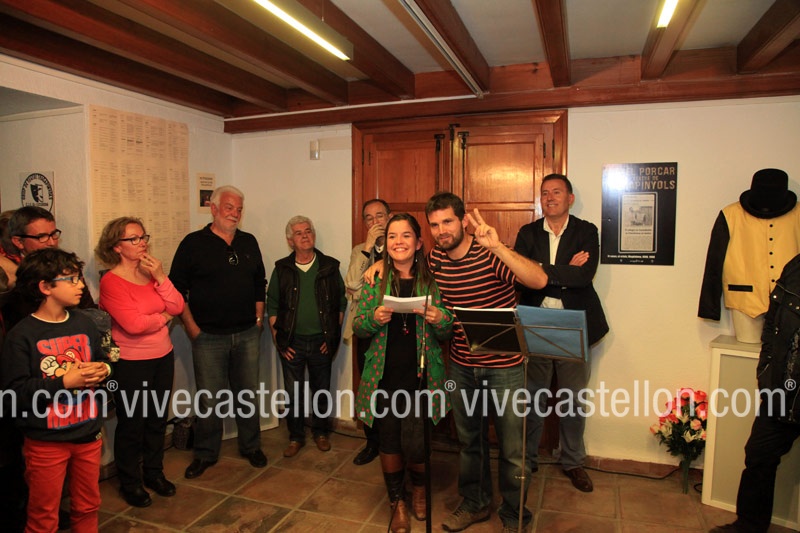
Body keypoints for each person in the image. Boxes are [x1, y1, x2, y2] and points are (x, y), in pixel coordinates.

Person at [368, 192, 548, 532]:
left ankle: (514, 515)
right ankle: (475, 503)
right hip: (462, 365)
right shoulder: (435, 258)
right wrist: (380, 264)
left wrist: (498, 247)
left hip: (506, 367)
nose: (442, 231)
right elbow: (407, 265)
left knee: (513, 449)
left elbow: (539, 280)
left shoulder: (490, 253)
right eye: (435, 225)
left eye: (448, 222)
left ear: (464, 220)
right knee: (469, 442)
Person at [353, 213, 453, 531]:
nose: (399, 241)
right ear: (386, 244)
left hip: (422, 377)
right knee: (390, 441)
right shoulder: (375, 280)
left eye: (406, 235)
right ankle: (397, 501)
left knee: (419, 442)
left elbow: (447, 330)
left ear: (419, 242)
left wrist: (440, 318)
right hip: (384, 377)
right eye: (392, 236)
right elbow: (358, 326)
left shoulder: (432, 280)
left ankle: (420, 491)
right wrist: (373, 318)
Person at [0, 248, 111, 533]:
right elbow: (15, 393)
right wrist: (63, 382)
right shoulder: (22, 336)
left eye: (78, 277)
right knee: (44, 515)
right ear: (45, 287)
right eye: (70, 279)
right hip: (46, 442)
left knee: (88, 505)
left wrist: (103, 370)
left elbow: (102, 359)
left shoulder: (84, 323)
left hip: (87, 433)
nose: (80, 285)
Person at [514, 173, 609, 493]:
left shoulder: (587, 231)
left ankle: (573, 462)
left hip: (574, 324)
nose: (549, 197)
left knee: (572, 400)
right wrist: (564, 271)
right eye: (544, 193)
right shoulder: (527, 233)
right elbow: (521, 278)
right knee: (532, 399)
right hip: (535, 322)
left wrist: (540, 271)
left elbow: (584, 277)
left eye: (556, 192)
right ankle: (526, 459)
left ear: (570, 198)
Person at [169, 185, 268, 479]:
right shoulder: (192, 244)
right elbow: (176, 290)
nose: (234, 214)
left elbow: (259, 282)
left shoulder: (248, 241)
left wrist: (258, 319)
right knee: (209, 399)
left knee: (248, 395)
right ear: (213, 208)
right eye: (229, 207)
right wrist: (191, 327)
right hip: (208, 337)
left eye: (239, 209)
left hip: (247, 333)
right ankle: (205, 453)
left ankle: (251, 446)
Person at [96, 217, 185, 507]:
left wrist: (161, 276)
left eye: (143, 236)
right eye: (133, 239)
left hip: (162, 355)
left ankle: (154, 473)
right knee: (132, 423)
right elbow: (133, 325)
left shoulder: (150, 273)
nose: (141, 243)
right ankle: (130, 482)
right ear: (116, 246)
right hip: (131, 362)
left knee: (157, 419)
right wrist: (162, 318)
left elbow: (177, 305)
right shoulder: (111, 282)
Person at [710, 254, 800, 533]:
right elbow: (772, 324)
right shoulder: (795, 267)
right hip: (783, 389)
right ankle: (748, 527)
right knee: (759, 455)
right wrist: (767, 370)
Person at [267, 215, 346, 458]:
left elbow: (340, 303)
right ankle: (296, 436)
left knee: (321, 390)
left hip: (321, 342)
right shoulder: (282, 269)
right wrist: (279, 340)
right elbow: (273, 305)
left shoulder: (329, 267)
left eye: (308, 230)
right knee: (294, 394)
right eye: (299, 233)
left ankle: (321, 433)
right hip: (292, 343)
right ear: (290, 241)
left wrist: (331, 337)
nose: (305, 236)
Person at [345, 198, 391, 466]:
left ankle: (391, 442)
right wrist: (367, 248)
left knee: (392, 388)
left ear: (389, 217)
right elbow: (352, 285)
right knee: (369, 387)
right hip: (365, 327)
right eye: (369, 218)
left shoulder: (400, 246)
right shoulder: (359, 251)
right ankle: (372, 442)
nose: (375, 222)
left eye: (380, 216)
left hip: (394, 328)